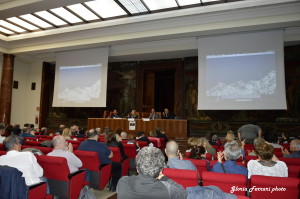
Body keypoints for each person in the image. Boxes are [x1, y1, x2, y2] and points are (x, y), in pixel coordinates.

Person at [117, 146, 188, 199]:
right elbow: (184, 194)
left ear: (137, 168)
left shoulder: (123, 182)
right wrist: (164, 178)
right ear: (161, 170)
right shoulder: (167, 188)